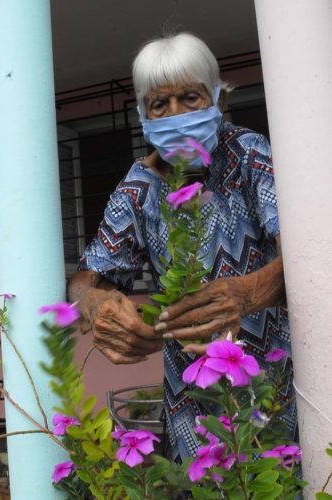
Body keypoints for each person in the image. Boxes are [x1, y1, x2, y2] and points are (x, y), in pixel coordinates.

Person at [68, 32, 296, 462]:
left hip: (274, 386)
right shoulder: (139, 189)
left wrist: (248, 293)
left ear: (218, 102)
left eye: (190, 98)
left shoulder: (249, 155)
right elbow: (85, 279)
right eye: (160, 104)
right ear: (143, 116)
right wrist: (98, 305)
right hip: (190, 401)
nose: (175, 114)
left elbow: (304, 257)